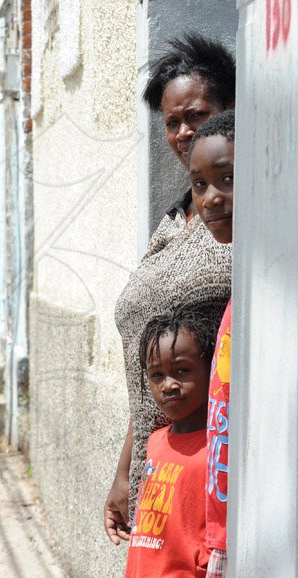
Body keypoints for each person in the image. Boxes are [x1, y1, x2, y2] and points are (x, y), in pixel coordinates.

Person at [104, 33, 235, 545]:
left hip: (208, 471)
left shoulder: (244, 220)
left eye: (196, 116)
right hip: (157, 465)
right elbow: (152, 368)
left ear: (230, 111)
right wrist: (126, 469)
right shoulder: (175, 220)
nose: (183, 132)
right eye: (171, 122)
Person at [125, 308, 217, 577]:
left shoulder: (218, 449)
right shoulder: (154, 441)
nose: (169, 385)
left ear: (209, 369)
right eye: (157, 375)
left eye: (182, 370)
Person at [188, 110, 235, 577]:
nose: (212, 198)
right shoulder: (239, 295)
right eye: (200, 184)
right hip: (221, 529)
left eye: (228, 178)